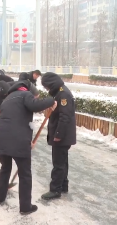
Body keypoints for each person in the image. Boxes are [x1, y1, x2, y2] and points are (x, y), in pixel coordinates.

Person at [0, 81, 56, 215]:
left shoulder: (8, 98)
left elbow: (18, 120)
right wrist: (51, 100)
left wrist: (28, 140)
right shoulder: (25, 94)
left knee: (5, 168)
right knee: (25, 174)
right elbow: (34, 106)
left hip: (1, 140)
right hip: (18, 142)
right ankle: (25, 207)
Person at [40, 72, 76, 200]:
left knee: (58, 163)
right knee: (62, 162)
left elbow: (64, 117)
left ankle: (55, 190)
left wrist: (58, 135)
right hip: (62, 135)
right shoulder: (59, 92)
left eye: (46, 86)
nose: (46, 89)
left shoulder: (63, 94)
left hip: (62, 135)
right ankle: (63, 186)